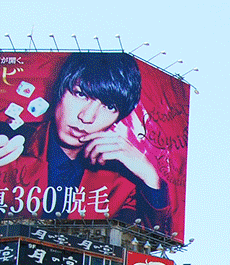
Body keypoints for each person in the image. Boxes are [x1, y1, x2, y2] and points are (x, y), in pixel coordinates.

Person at [0, 52, 172, 231]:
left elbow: (152, 243)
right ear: (59, 90)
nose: (87, 117)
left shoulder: (121, 181)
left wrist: (151, 178)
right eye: (80, 94)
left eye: (109, 106)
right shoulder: (9, 144)